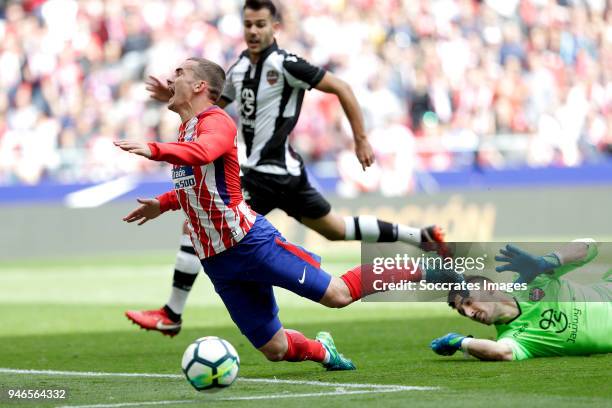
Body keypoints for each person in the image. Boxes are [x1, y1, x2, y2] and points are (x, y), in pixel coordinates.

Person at [126, 0, 448, 336]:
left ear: (275, 27)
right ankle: (419, 236)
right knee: (334, 229)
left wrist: (361, 138)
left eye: (261, 24)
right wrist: (175, 94)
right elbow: (207, 107)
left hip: (275, 171)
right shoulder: (236, 71)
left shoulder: (287, 64)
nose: (253, 31)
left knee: (201, 221)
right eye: (248, 24)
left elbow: (342, 87)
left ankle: (173, 312)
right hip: (264, 174)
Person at [430, 240, 612, 361]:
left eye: (468, 302)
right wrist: (458, 341)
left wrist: (546, 262)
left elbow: (590, 246)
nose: (470, 313)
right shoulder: (513, 337)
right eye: (463, 312)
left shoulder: (532, 279)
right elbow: (502, 352)